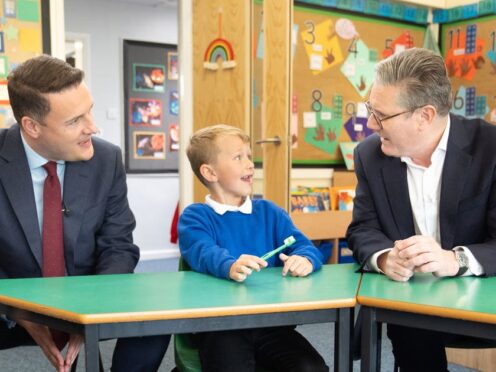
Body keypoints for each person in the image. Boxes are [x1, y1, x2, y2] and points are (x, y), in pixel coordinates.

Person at [0, 55, 169, 372]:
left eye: (89, 110)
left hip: (86, 298)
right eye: (74, 121)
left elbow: (118, 246)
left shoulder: (106, 159)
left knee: (156, 317)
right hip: (8, 306)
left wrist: (90, 312)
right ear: (31, 126)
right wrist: (17, 311)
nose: (93, 126)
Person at [346, 47, 496, 371]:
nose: (371, 123)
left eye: (381, 115)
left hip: (484, 295)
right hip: (412, 305)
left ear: (424, 116)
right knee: (408, 321)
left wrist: (453, 259)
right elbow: (362, 229)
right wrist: (386, 258)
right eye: (370, 109)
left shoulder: (491, 149)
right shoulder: (369, 155)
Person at [178, 124, 328, 372]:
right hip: (222, 326)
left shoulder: (270, 212)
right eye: (238, 157)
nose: (250, 164)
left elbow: (304, 245)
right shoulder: (195, 217)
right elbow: (203, 252)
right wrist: (230, 265)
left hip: (270, 324)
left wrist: (305, 259)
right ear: (210, 172)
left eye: (249, 156)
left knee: (311, 368)